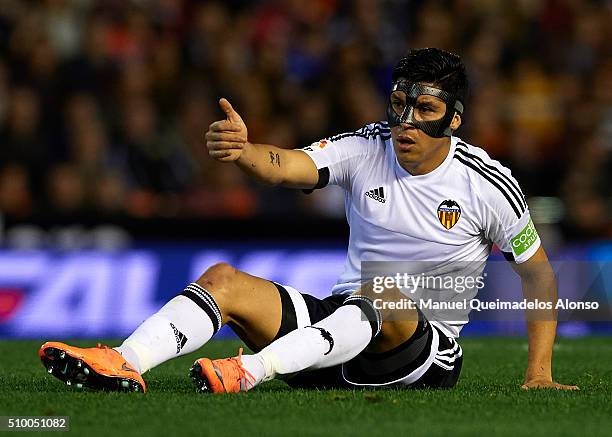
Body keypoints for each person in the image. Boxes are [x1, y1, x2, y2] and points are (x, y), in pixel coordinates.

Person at [39, 48, 578, 393]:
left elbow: (538, 273)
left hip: (423, 351)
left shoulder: (486, 185)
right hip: (341, 327)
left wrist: (539, 373)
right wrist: (244, 150)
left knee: (383, 293)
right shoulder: (365, 146)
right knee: (223, 280)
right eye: (399, 104)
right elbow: (288, 166)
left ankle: (247, 373)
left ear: (455, 119)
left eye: (426, 110)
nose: (406, 122)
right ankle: (124, 362)